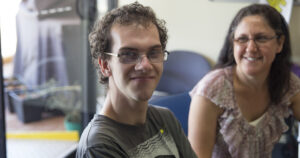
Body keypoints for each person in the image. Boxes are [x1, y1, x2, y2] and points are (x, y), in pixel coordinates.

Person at [76, 2, 197, 158]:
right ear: (105, 65)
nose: (145, 65)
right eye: (128, 54)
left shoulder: (165, 118)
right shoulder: (99, 145)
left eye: (154, 53)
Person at [188, 4, 300, 158]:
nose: (251, 48)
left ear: (279, 43)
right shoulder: (211, 91)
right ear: (232, 44)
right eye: (242, 39)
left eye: (261, 38)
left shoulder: (288, 84)